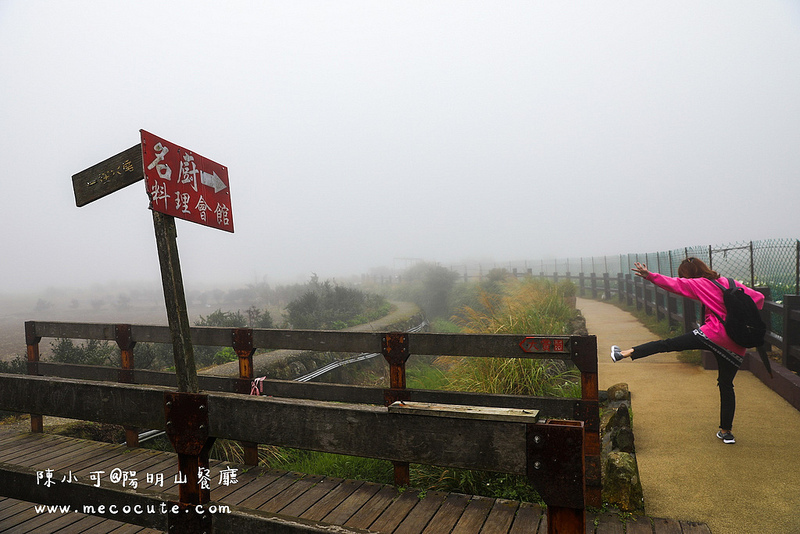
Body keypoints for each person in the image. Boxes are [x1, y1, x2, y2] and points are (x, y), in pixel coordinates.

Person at [610, 257, 765, 445]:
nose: (683, 278)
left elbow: (674, 284)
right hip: (736, 345)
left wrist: (649, 276)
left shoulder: (699, 283)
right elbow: (759, 299)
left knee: (667, 344)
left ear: (689, 274)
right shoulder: (730, 283)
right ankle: (727, 433)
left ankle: (624, 353)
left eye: (684, 275)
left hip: (712, 335)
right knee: (726, 385)